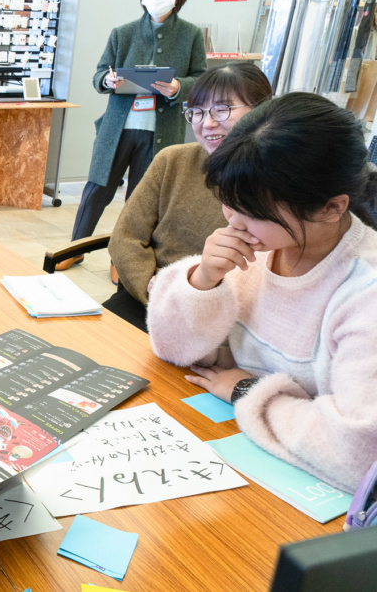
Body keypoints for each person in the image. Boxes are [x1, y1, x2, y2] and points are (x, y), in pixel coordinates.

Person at [147, 93, 377, 492]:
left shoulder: (364, 292)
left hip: (308, 492)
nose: (234, 223)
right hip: (236, 445)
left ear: (331, 208)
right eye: (228, 203)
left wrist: (247, 391)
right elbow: (173, 350)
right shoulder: (261, 247)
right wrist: (203, 280)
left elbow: (357, 454)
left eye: (253, 212)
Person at [59, 0, 207, 270]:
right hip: (119, 127)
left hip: (160, 132)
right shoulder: (122, 33)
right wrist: (108, 80)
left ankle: (122, 260)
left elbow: (201, 79)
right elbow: (100, 74)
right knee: (97, 188)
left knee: (141, 199)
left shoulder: (191, 35)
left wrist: (179, 86)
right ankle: (74, 248)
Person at [105, 63, 272, 330]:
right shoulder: (173, 161)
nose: (207, 123)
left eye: (221, 109)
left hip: (222, 319)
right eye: (197, 112)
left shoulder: (278, 181)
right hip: (151, 299)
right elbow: (126, 238)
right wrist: (155, 289)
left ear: (262, 111)